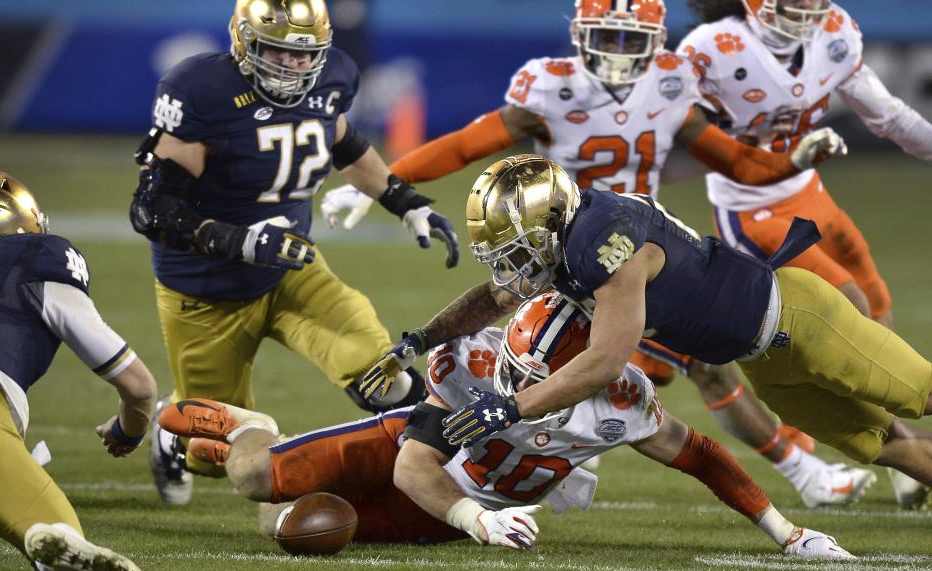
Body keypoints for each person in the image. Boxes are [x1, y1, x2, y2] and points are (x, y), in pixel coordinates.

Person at [324, 0, 870, 508]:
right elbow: (469, 144)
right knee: (567, 371)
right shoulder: (552, 87)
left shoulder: (669, 84)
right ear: (580, 36)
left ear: (656, 42)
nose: (618, 53)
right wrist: (383, 184)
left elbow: (739, 164)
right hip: (555, 255)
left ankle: (798, 471)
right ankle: (799, 472)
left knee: (661, 373)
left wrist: (792, 160)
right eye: (606, 36)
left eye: (632, 41)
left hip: (637, 256)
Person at [368, 155, 932, 491]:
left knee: (920, 394)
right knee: (880, 444)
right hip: (763, 362)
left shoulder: (604, 242)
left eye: (520, 250)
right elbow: (492, 300)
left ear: (551, 224)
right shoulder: (568, 238)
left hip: (802, 319)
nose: (514, 267)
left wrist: (512, 406)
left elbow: (605, 362)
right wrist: (419, 339)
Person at [158, 293, 851, 558]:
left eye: (535, 378)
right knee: (254, 478)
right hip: (409, 456)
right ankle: (254, 423)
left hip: (455, 511)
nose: (512, 383)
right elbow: (413, 466)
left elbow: (698, 454)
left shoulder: (619, 400)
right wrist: (478, 521)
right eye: (513, 367)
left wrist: (786, 535)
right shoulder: (471, 360)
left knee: (286, 531)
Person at [129, 0, 459, 505]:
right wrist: (241, 240)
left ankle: (446, 467)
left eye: (304, 56)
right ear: (245, 43)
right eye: (278, 53)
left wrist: (403, 201)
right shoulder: (204, 91)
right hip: (206, 289)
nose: (293, 66)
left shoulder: (333, 76)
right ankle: (171, 429)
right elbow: (152, 210)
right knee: (214, 453)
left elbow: (343, 141)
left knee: (379, 367)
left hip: (291, 268)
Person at [678, 0, 932, 506]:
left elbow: (888, 115)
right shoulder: (712, 48)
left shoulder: (834, 33)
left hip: (808, 191)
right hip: (752, 210)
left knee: (877, 304)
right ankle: (885, 453)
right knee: (849, 311)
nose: (804, 9)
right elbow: (659, 110)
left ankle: (905, 455)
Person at [0, 171, 156, 571]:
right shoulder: (36, 252)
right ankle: (52, 539)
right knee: (58, 537)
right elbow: (139, 386)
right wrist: (128, 432)